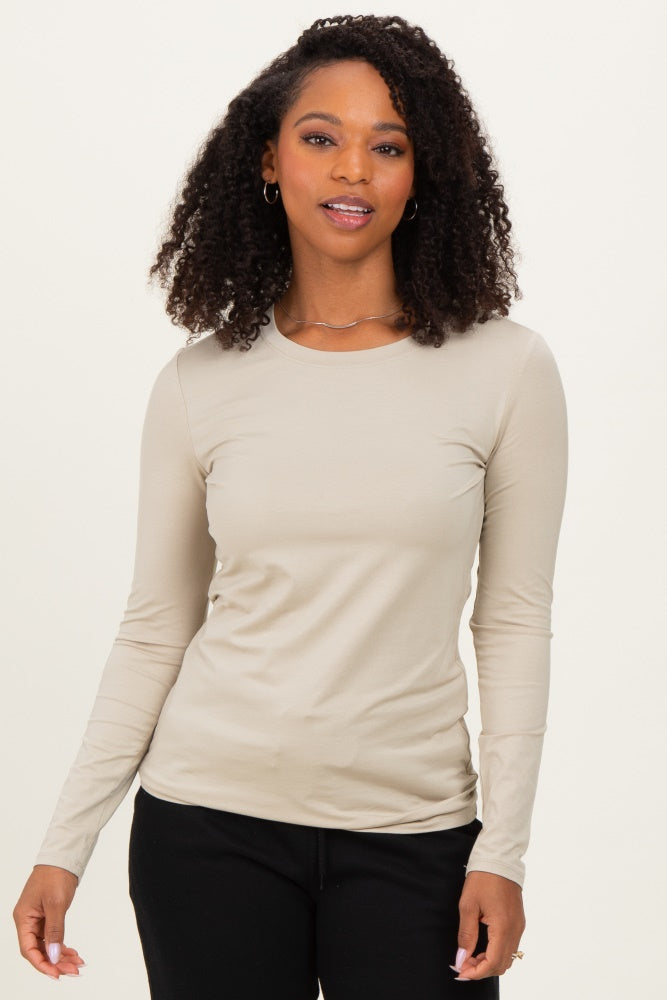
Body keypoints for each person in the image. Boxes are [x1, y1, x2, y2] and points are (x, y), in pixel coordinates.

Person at [13, 13, 568, 999]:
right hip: (205, 831)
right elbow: (156, 626)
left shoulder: (505, 370)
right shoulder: (199, 383)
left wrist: (504, 851)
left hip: (417, 840)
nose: (352, 169)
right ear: (269, 160)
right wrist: (65, 844)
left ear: (422, 173)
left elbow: (513, 621)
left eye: (387, 146)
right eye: (320, 138)